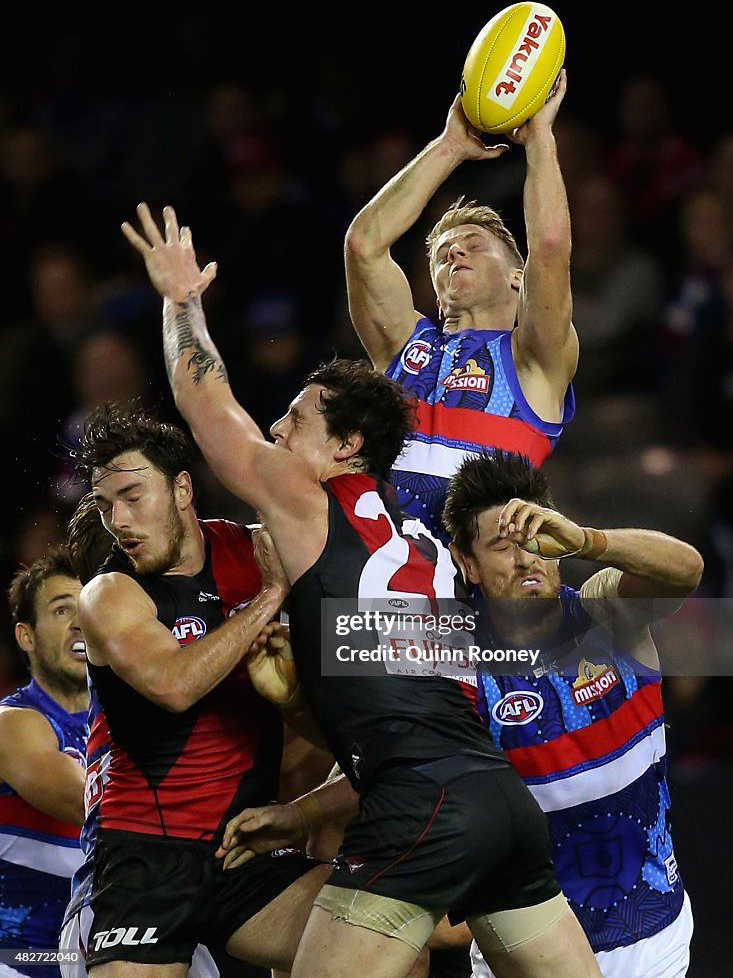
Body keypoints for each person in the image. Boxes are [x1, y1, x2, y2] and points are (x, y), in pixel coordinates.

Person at [120, 200, 602, 978]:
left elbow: (203, 398)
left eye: (295, 421)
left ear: (348, 447)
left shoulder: (313, 510)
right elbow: (397, 705)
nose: (276, 434)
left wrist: (181, 299)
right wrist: (296, 712)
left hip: (421, 813)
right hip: (499, 805)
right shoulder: (430, 553)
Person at [66, 403, 332, 978]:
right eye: (106, 505)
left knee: (395, 945)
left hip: (243, 851)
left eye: (133, 497)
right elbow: (173, 685)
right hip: (145, 858)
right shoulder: (108, 594)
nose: (119, 520)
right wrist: (268, 598)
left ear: (182, 488)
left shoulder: (253, 548)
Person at [441, 448, 703, 978]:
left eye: (537, 540)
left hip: (653, 947)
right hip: (521, 962)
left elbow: (687, 570)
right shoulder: (456, 669)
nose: (526, 559)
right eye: (502, 546)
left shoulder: (606, 612)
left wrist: (589, 541)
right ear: (465, 562)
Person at [343, 70, 577, 546]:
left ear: (518, 277)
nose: (454, 253)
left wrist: (539, 140)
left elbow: (550, 246)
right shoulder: (403, 344)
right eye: (442, 253)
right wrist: (450, 145)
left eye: (471, 244)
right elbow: (364, 244)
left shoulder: (533, 357)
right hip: (378, 580)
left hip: (479, 586)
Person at [0, 547, 88, 978]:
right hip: (22, 960)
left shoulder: (128, 719)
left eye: (88, 606)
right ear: (26, 636)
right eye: (60, 609)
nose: (80, 622)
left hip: (103, 950)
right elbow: (87, 805)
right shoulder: (11, 724)